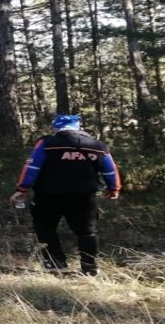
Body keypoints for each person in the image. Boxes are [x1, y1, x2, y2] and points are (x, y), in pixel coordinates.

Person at [8, 114, 120, 276]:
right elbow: (110, 169)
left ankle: (55, 263)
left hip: (48, 195)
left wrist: (22, 188)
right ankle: (90, 268)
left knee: (45, 227)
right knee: (87, 231)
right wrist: (113, 188)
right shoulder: (97, 146)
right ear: (78, 126)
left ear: (56, 127)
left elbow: (32, 167)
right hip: (84, 196)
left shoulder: (47, 143)